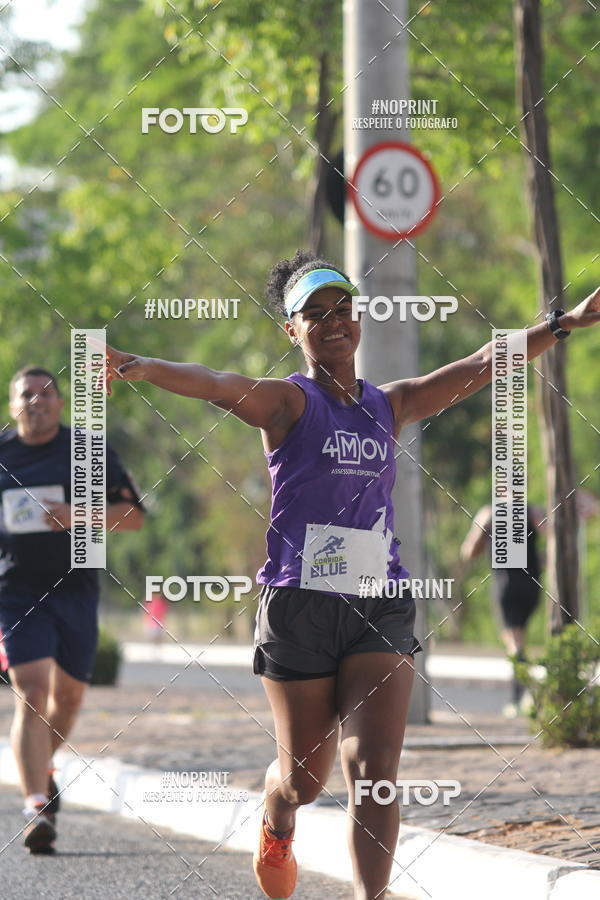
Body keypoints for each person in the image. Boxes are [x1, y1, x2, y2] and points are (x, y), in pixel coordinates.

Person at [102, 250, 599, 900]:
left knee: (374, 771)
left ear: (357, 318)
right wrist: (140, 367)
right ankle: (277, 812)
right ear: (292, 329)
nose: (334, 323)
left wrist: (564, 323)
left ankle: (373, 896)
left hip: (379, 602)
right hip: (298, 608)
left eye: (343, 309)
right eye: (315, 314)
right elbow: (218, 382)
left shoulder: (388, 405)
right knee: (305, 779)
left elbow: (481, 366)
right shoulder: (287, 403)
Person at [0, 366, 144, 854]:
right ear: (12, 404)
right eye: (26, 395)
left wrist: (78, 516)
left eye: (45, 394)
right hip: (15, 591)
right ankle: (36, 805)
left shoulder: (88, 451)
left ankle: (40, 763)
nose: (36, 402)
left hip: (76, 588)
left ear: (60, 403)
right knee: (32, 691)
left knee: (70, 700)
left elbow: (134, 516)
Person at [460, 501, 546, 714]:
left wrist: (486, 531)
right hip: (531, 586)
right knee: (520, 639)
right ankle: (524, 696)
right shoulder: (533, 512)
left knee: (514, 644)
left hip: (505, 587)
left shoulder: (489, 512)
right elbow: (554, 540)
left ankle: (521, 698)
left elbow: (469, 551)